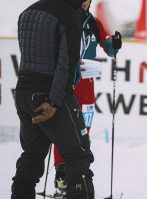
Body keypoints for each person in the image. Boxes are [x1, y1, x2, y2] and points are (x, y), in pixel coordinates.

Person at [11, 0, 96, 199]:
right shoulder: (69, 16)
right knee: (79, 155)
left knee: (32, 156)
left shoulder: (27, 12)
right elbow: (67, 63)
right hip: (49, 95)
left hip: (24, 92)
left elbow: (30, 55)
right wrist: (55, 102)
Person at [52, 0, 120, 196]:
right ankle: (62, 173)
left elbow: (109, 47)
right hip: (65, 81)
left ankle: (80, 173)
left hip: (86, 85)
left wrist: (114, 44)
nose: (84, 2)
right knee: (63, 128)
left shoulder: (92, 21)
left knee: (84, 129)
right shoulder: (61, 17)